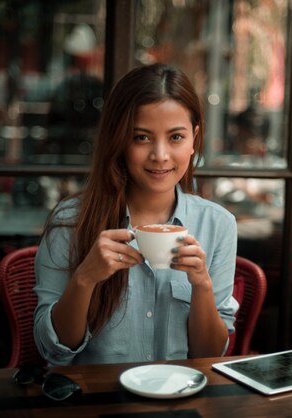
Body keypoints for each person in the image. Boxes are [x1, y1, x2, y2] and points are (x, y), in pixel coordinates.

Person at [34, 63, 239, 365]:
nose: (160, 155)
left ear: (194, 139)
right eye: (141, 137)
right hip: (99, 402)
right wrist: (85, 278)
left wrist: (202, 286)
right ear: (119, 140)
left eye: (176, 137)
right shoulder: (71, 221)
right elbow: (52, 351)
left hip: (179, 401)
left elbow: (208, 356)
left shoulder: (217, 225)